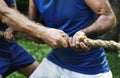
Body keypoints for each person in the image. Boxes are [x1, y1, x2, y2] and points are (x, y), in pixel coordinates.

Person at [29, 0, 116, 78]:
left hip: (89, 69)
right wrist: (39, 32)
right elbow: (31, 23)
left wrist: (84, 32)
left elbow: (108, 16)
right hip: (56, 60)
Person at [0, 0, 69, 78]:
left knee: (42, 75)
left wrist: (13, 27)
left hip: (10, 46)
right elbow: (4, 13)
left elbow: (12, 9)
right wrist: (43, 32)